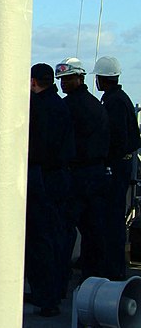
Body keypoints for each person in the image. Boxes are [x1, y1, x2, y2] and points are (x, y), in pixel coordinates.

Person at [55, 57, 110, 282]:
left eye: (68, 79)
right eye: (61, 80)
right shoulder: (96, 104)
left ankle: (61, 276)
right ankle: (93, 275)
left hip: (76, 175)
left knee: (65, 228)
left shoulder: (68, 107)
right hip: (96, 175)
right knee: (93, 229)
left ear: (80, 78)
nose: (63, 84)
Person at [26, 63, 75, 316]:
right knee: (54, 237)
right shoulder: (60, 105)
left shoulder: (39, 108)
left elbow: (36, 146)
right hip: (59, 178)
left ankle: (46, 297)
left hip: (42, 178)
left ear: (33, 82)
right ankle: (51, 293)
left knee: (39, 239)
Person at [93, 56, 141, 280]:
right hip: (121, 166)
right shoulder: (120, 99)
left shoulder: (113, 102)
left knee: (111, 220)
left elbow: (117, 138)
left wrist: (107, 162)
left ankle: (113, 269)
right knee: (112, 218)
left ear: (103, 79)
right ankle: (112, 267)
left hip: (115, 168)